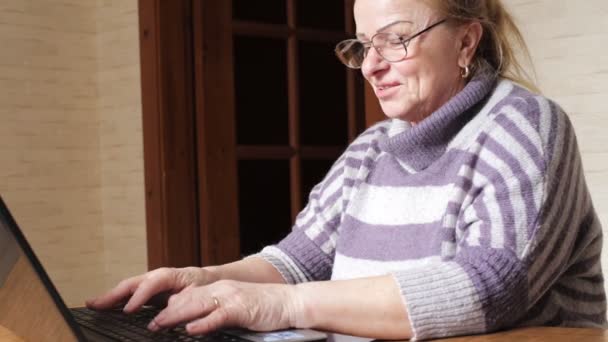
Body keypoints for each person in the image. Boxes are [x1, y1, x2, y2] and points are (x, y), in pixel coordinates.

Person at [87, 0, 606, 340]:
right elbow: (295, 261)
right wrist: (202, 280)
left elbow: (492, 286)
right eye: (363, 44)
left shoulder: (524, 126)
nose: (373, 65)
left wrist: (285, 306)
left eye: (395, 39)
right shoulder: (372, 148)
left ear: (467, 41)